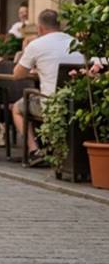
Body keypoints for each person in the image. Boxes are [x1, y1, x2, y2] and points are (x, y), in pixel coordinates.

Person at [12, 9, 84, 165]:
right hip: (77, 103)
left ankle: (34, 151)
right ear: (59, 25)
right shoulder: (76, 43)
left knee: (17, 109)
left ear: (40, 28)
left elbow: (17, 74)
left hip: (50, 104)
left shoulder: (37, 45)